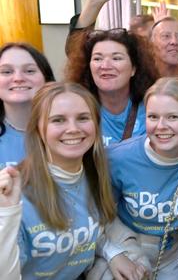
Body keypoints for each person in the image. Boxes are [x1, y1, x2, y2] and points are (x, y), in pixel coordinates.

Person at [0, 82, 117, 279]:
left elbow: (97, 229)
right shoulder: (13, 191)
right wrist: (7, 214)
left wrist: (114, 253)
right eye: (58, 120)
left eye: (83, 118)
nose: (73, 129)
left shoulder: (96, 174)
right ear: (38, 129)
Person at [92, 77, 178, 279]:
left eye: (172, 117)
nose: (161, 126)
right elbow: (94, 215)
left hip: (176, 253)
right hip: (128, 246)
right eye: (153, 117)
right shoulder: (118, 158)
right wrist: (113, 253)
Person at [66, 28, 158, 146]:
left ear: (134, 69)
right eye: (97, 58)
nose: (105, 66)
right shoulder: (77, 109)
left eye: (116, 58)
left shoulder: (152, 108)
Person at [0, 43, 55, 167]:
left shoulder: (68, 129)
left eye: (29, 71)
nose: (18, 78)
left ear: (47, 79)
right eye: (7, 72)